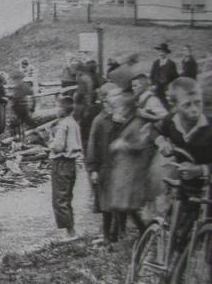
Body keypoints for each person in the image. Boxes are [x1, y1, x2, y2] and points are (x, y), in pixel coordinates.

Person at [153, 77, 212, 248]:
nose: (194, 109)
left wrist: (200, 170)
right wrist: (161, 142)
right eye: (187, 105)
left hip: (208, 191)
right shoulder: (171, 121)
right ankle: (170, 267)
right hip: (187, 189)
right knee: (177, 239)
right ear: (175, 106)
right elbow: (153, 130)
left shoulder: (209, 127)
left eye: (197, 103)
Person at [104, 91, 155, 231]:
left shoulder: (137, 123)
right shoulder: (129, 121)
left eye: (120, 107)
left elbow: (142, 145)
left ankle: (144, 232)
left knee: (129, 204)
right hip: (126, 170)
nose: (118, 110)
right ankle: (139, 232)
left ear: (127, 108)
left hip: (134, 171)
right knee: (125, 204)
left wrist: (123, 145)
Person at [86, 84, 124, 244]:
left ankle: (119, 235)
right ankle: (108, 236)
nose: (118, 99)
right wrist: (94, 169)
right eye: (114, 96)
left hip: (120, 166)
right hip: (106, 168)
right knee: (107, 205)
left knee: (122, 203)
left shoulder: (120, 118)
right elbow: (93, 145)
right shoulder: (99, 120)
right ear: (105, 100)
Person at [48, 96, 83, 238]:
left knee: (59, 198)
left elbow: (58, 147)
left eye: (57, 107)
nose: (55, 110)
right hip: (71, 164)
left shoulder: (63, 125)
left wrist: (50, 138)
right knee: (67, 196)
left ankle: (70, 232)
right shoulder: (73, 122)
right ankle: (71, 228)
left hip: (61, 162)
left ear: (62, 109)